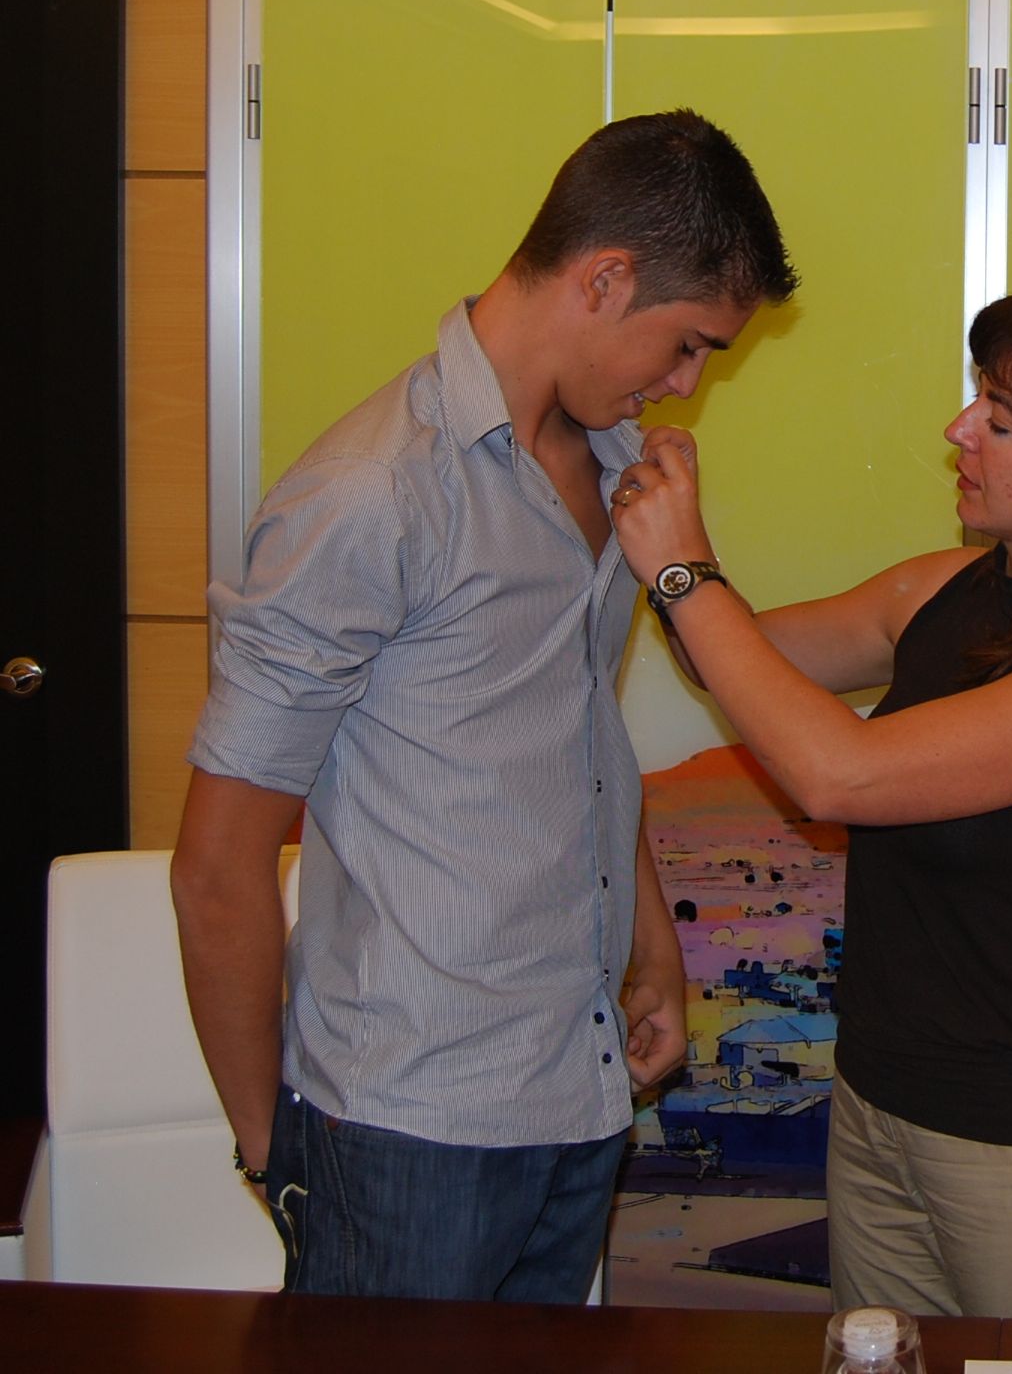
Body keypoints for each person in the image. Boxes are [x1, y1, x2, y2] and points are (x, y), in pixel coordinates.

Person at [169, 109, 798, 1302]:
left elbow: (576, 740)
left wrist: (651, 952)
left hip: (577, 1091)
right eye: (686, 345)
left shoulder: (616, 470)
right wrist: (272, 1153)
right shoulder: (371, 492)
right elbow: (216, 865)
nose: (687, 384)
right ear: (603, 280)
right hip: (407, 1127)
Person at [607, 274, 1012, 1319]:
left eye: (1000, 419)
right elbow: (739, 658)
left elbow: (837, 773)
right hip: (880, 1110)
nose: (958, 431)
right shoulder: (941, 588)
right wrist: (663, 528)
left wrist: (683, 570)